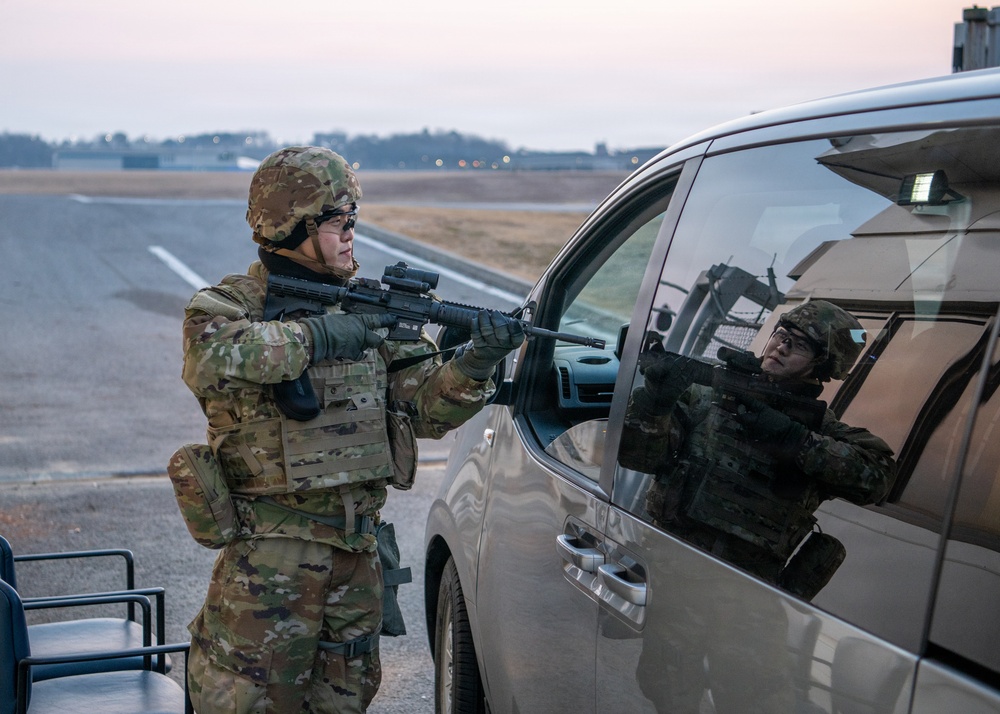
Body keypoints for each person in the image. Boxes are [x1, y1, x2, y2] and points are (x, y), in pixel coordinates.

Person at [179, 146, 523, 714]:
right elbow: (211, 359)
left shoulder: (369, 310)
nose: (351, 236)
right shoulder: (229, 306)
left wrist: (477, 363)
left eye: (353, 222)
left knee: (343, 700)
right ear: (292, 224)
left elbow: (425, 408)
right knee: (246, 699)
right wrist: (325, 336)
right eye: (339, 223)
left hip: (357, 553)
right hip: (272, 556)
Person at [619, 299, 896, 713]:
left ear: (822, 367)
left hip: (750, 597)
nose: (780, 348)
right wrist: (655, 401)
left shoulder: (820, 428)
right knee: (668, 689)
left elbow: (878, 477)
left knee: (755, 701)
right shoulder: (705, 395)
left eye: (798, 345)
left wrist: (793, 440)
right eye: (781, 336)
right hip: (677, 580)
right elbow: (640, 458)